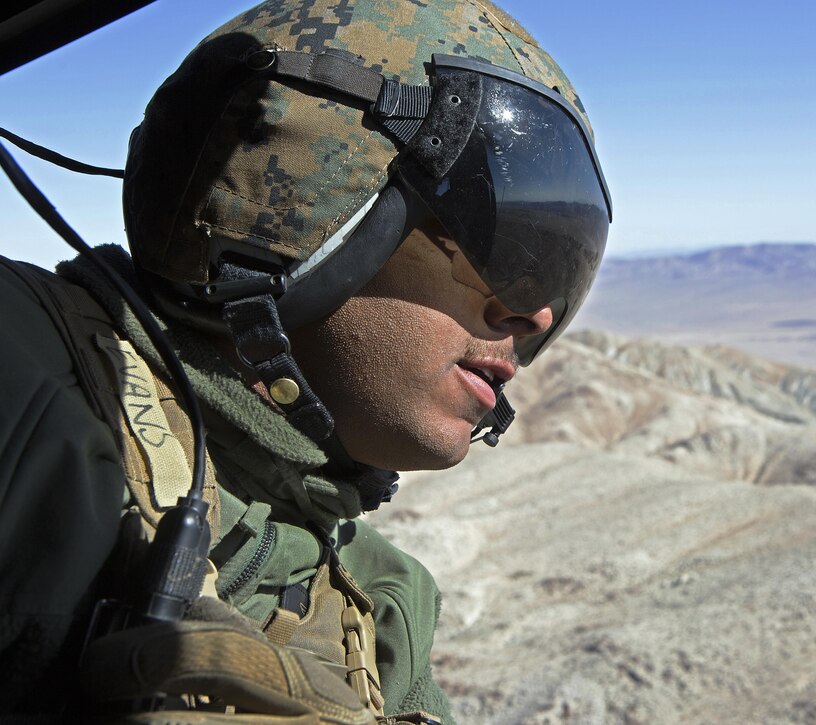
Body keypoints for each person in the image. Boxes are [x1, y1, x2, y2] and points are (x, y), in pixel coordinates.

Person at [0, 0, 610, 721]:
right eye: (498, 249)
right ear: (300, 208)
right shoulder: (31, 382)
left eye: (559, 280)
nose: (534, 314)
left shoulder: (382, 604)